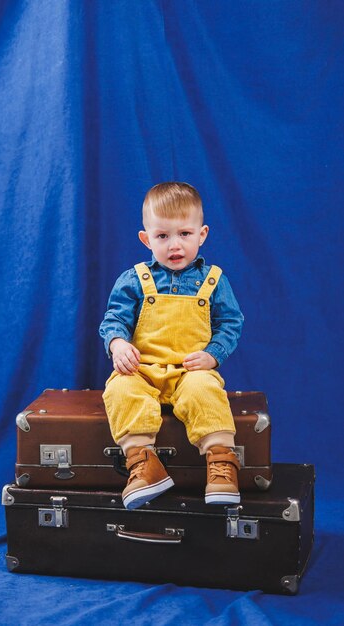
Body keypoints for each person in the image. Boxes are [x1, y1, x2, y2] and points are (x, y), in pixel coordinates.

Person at [99, 182, 244, 510]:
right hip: (143, 370)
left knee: (204, 391)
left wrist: (212, 355)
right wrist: (119, 344)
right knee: (120, 389)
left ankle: (221, 462)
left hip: (188, 370)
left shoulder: (213, 281)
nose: (174, 245)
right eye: (162, 236)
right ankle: (143, 463)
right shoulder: (134, 279)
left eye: (185, 234)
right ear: (146, 239)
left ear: (202, 234)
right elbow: (114, 321)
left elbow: (230, 324)